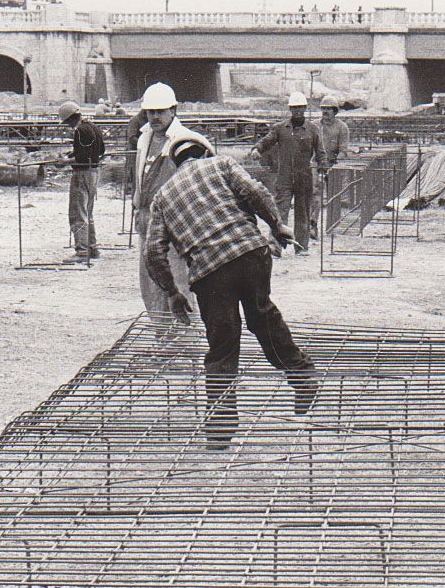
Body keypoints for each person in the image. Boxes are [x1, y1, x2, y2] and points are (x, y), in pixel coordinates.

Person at [146, 136, 320, 448]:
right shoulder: (222, 164)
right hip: (250, 255)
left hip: (209, 275)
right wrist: (277, 225)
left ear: (177, 163)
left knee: (222, 345)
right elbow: (256, 192)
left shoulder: (162, 196)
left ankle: (220, 428)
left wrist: (172, 292)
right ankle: (302, 375)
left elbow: (153, 253)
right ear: (205, 152)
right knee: (262, 316)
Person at [133, 83, 216, 319]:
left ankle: (186, 345)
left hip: (176, 228)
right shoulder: (144, 139)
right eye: (151, 112)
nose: (155, 117)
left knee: (178, 285)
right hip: (147, 224)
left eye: (161, 111)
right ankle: (163, 341)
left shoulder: (187, 140)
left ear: (173, 110)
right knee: (150, 287)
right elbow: (140, 179)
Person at [250, 92, 326, 252]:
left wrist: (322, 171)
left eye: (300, 107)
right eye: (294, 108)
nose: (297, 111)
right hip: (284, 178)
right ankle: (276, 246)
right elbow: (267, 141)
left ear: (305, 108)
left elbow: (320, 152)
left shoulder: (312, 129)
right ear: (290, 109)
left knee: (303, 214)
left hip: (304, 178)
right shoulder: (280, 128)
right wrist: (257, 149)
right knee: (279, 213)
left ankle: (301, 247)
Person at [59, 101, 106, 262]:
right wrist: (75, 152)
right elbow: (100, 150)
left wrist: (65, 161)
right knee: (88, 212)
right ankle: (92, 248)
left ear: (71, 119)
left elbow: (82, 157)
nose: (68, 126)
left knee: (78, 212)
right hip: (94, 172)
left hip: (82, 173)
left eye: (67, 122)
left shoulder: (80, 131)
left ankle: (82, 251)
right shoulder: (93, 127)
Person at [309, 95, 350, 238]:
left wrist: (335, 164)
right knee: (316, 194)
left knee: (334, 195)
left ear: (335, 111)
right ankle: (312, 225)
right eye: (323, 109)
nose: (325, 112)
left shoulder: (342, 127)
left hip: (333, 165)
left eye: (329, 109)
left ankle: (333, 226)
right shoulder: (314, 126)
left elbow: (343, 150)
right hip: (317, 164)